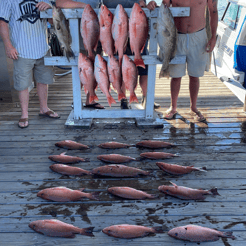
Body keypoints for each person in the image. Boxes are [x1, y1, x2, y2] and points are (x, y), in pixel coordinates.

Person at [56, 0, 160, 109]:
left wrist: (146, 4)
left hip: (133, 29)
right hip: (109, 30)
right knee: (114, 66)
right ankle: (122, 99)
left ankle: (147, 98)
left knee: (144, 66)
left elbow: (142, 2)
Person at [150, 0, 218, 121]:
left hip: (199, 35)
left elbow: (213, 11)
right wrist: (153, 4)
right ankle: (173, 107)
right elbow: (164, 5)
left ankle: (194, 107)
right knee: (176, 76)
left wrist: (213, 37)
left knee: (195, 75)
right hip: (176, 35)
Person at [0, 0, 60, 128]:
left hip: (43, 47)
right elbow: (2, 22)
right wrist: (8, 46)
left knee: (43, 80)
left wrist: (50, 8)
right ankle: (24, 114)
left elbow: (52, 21)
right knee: (22, 84)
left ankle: (44, 108)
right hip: (21, 50)